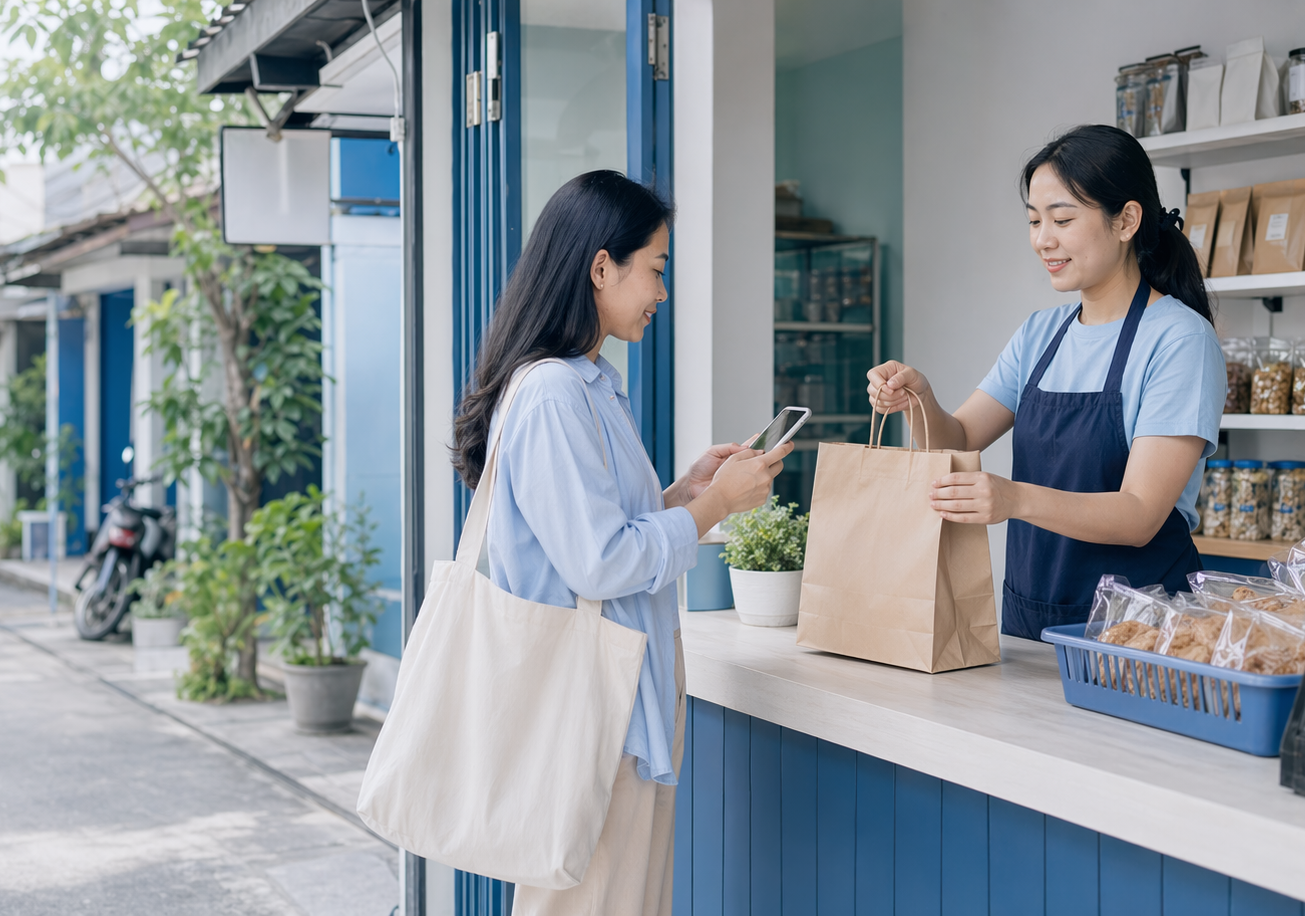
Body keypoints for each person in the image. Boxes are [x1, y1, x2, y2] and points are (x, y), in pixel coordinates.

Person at [451, 170, 790, 915]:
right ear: (601, 266)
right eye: (656, 269)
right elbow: (599, 562)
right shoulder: (554, 393)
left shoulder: (589, 383)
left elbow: (592, 533)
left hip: (612, 699)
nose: (661, 293)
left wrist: (682, 494)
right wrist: (710, 514)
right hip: (589, 708)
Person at [866, 124, 1225, 641]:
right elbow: (959, 441)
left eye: (1062, 219)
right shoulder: (1041, 333)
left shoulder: (1179, 340)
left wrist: (1013, 500)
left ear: (1126, 220)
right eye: (1034, 220)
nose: (1042, 240)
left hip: (1141, 630)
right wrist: (920, 400)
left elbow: (1140, 514)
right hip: (1031, 618)